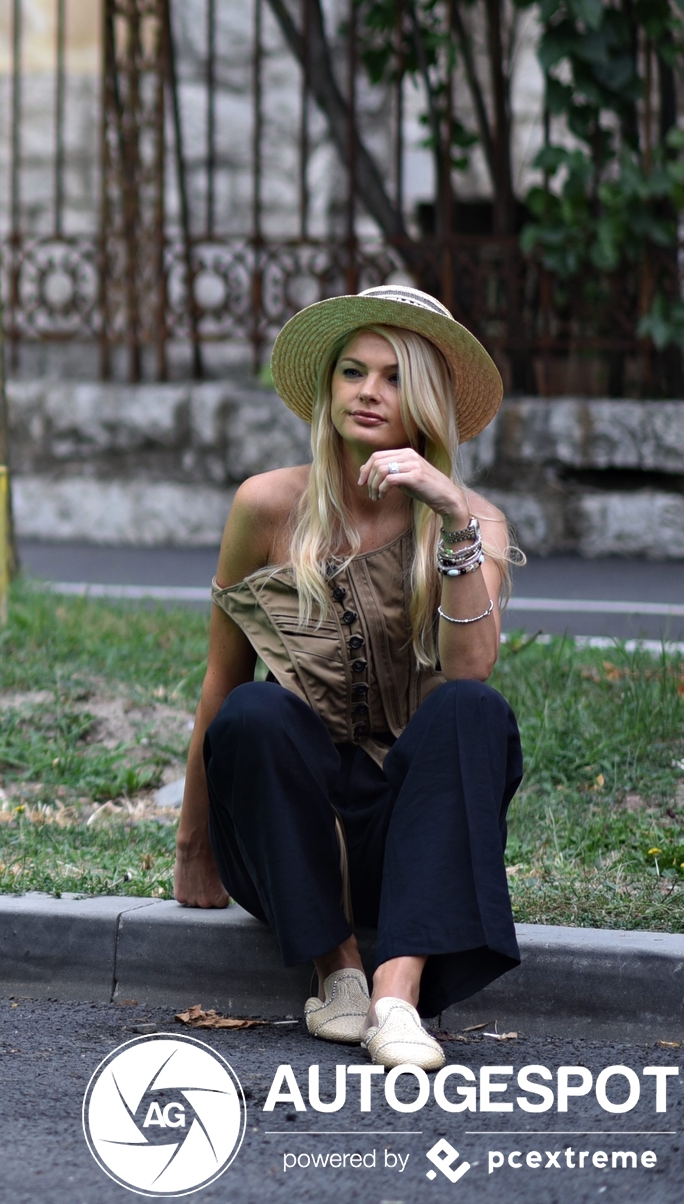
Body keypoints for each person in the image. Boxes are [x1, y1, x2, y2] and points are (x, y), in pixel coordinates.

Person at [172, 284, 523, 1071]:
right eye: (354, 371)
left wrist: (452, 517)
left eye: (395, 376)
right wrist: (194, 842)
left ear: (427, 401)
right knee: (258, 710)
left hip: (415, 831)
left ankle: (398, 995)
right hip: (294, 830)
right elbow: (220, 679)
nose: (369, 391)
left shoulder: (475, 521)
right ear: (328, 387)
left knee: (472, 712)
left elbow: (474, 666)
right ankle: (339, 972)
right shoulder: (267, 504)